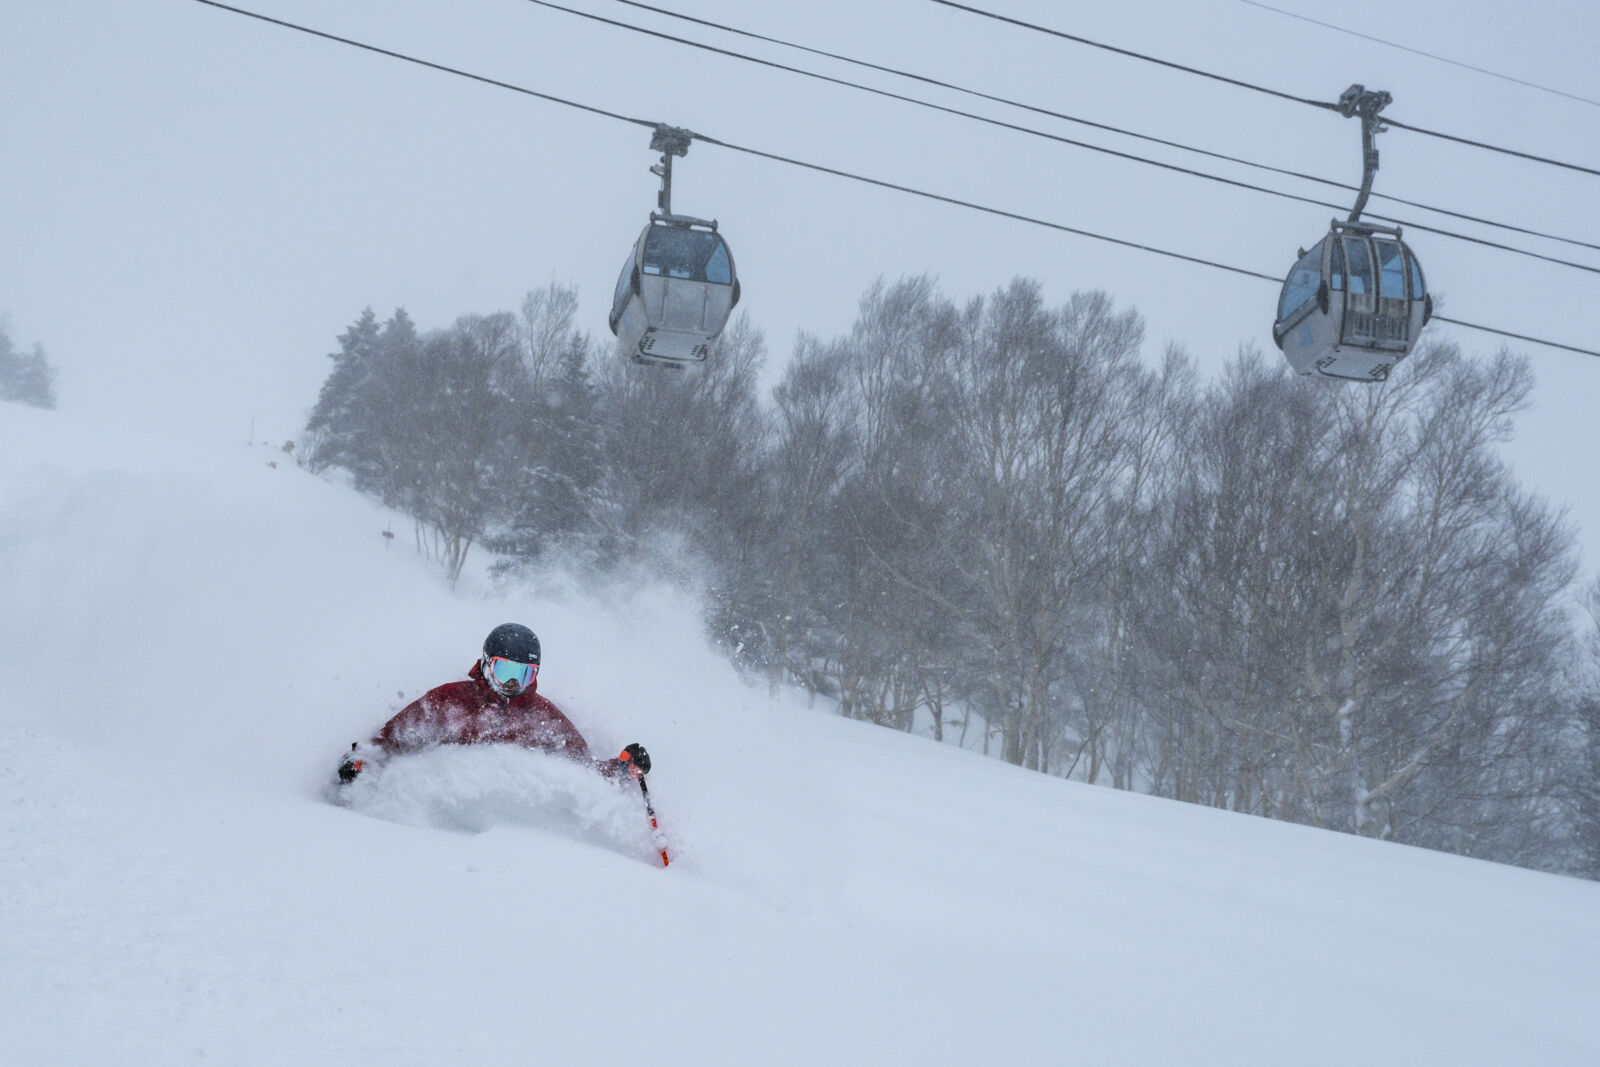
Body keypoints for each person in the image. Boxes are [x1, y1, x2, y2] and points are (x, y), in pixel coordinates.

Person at [336, 623, 650, 786]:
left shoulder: (544, 717)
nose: (513, 683)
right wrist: (360, 760)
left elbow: (585, 771)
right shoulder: (448, 700)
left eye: (524, 674)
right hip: (438, 838)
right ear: (486, 664)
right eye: (505, 670)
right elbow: (391, 740)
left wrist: (623, 768)